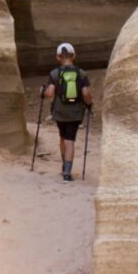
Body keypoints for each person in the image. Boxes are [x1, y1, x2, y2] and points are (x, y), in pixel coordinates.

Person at [43, 41, 92, 181]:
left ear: (58, 57)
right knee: (70, 140)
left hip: (59, 111)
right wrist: (89, 104)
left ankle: (64, 166)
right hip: (75, 112)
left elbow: (50, 93)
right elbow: (86, 94)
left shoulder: (54, 73)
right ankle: (67, 173)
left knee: (62, 137)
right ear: (74, 56)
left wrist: (43, 92)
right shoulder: (81, 73)